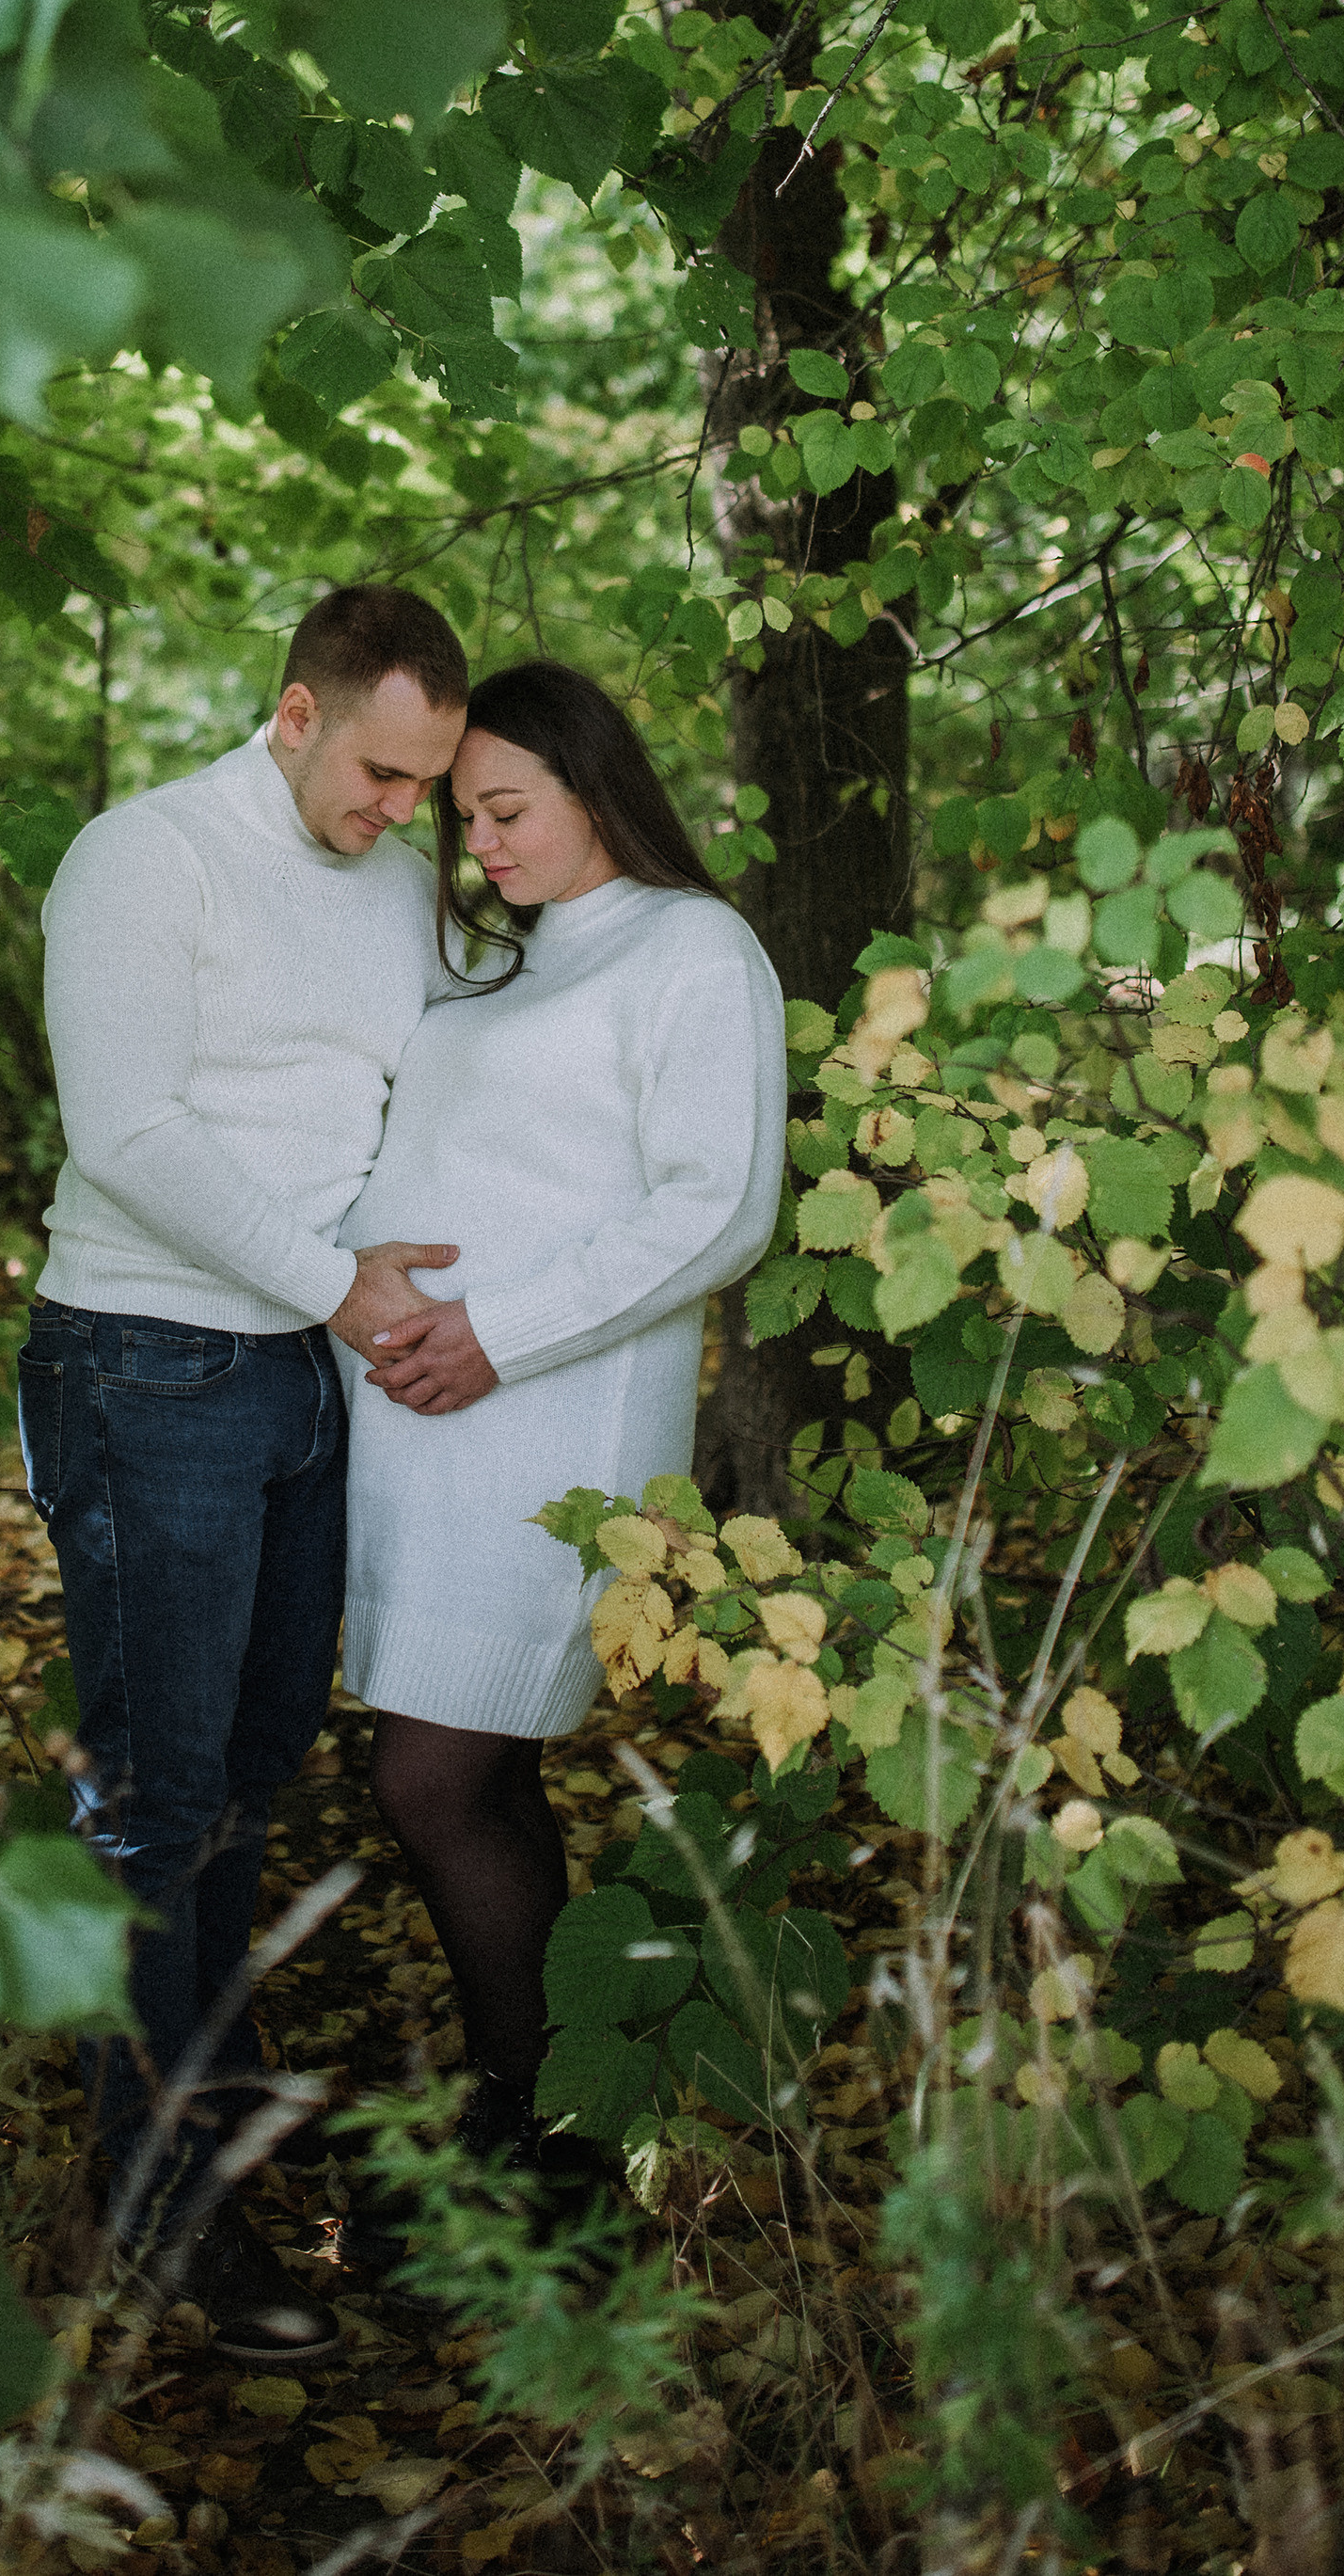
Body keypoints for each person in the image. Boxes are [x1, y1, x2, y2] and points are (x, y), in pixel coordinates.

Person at [20, 582, 470, 2363]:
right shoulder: (145, 860)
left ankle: (190, 2125)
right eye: (378, 772)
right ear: (297, 712)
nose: (399, 812)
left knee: (248, 1785)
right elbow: (125, 1131)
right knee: (155, 1793)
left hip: (305, 1378)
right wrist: (339, 1289)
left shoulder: (394, 890)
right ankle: (159, 2216)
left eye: (429, 783)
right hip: (147, 1359)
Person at [328, 660, 786, 2254]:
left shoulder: (691, 949)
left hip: (547, 1427)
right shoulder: (509, 968)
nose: (484, 847)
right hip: (423, 1437)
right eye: (465, 821)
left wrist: (498, 1331)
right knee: (479, 1772)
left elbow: (715, 1203)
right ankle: (542, 2118)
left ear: (599, 785)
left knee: (434, 1773)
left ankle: (550, 2152)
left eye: (507, 810)